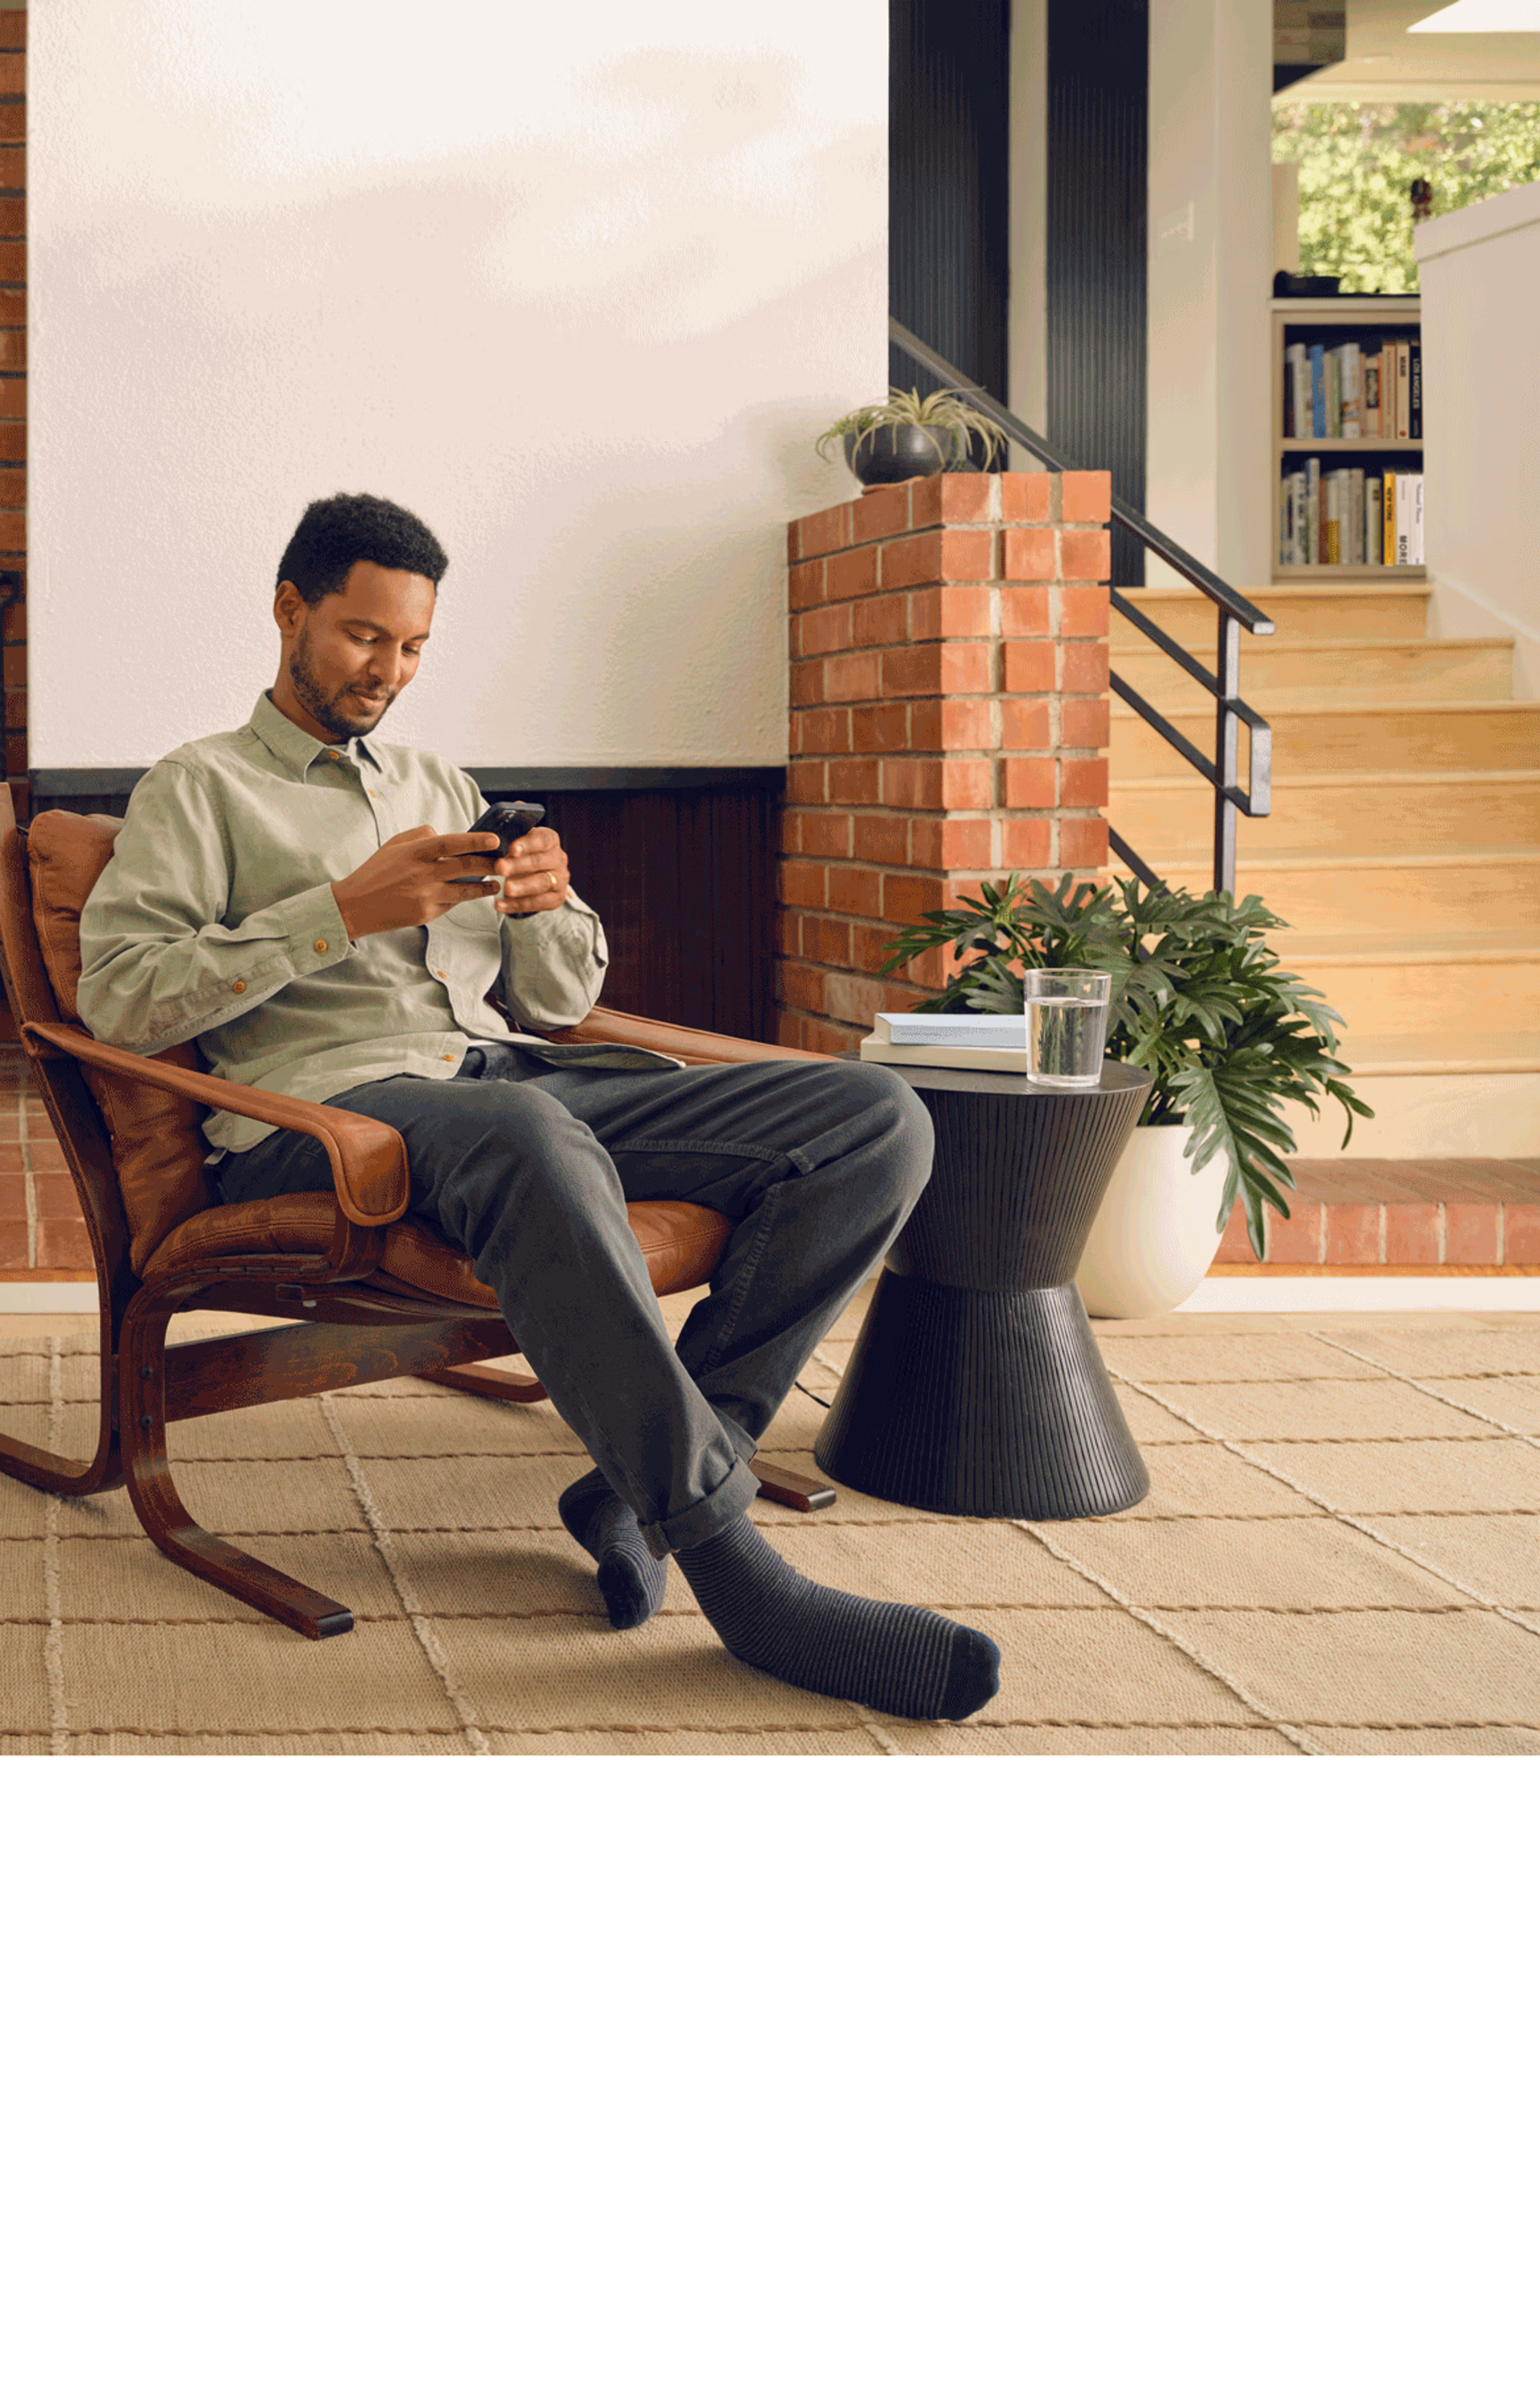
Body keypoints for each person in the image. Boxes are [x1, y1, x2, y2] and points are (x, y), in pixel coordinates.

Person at [73, 490, 1001, 1725]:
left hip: (511, 1086)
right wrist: (340, 912)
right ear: (290, 610)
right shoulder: (198, 789)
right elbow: (120, 999)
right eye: (362, 637)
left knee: (876, 1117)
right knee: (528, 1130)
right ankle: (734, 1567)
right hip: (324, 1128)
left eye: (411, 648)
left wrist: (547, 907)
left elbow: (558, 1001)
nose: (387, 672)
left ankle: (636, 1487)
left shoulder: (435, 778)